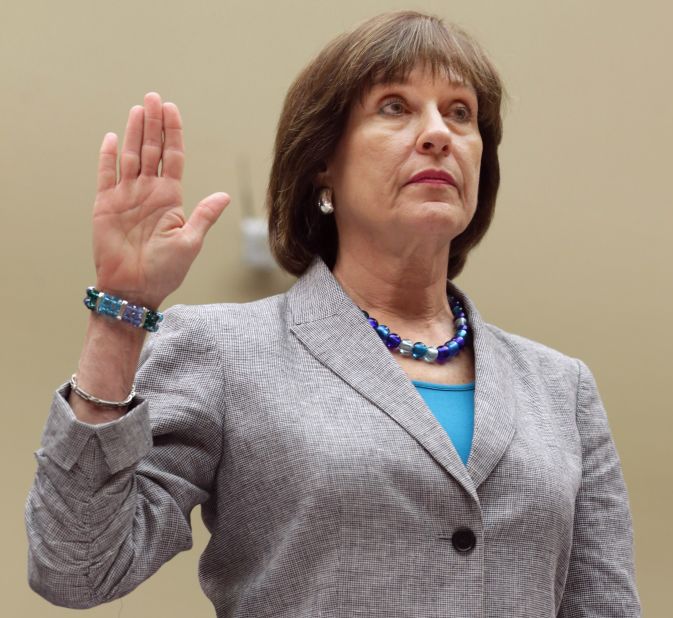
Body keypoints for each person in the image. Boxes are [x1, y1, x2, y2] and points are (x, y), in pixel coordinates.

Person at [26, 10, 641, 618]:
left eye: (460, 112)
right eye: (395, 107)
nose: (439, 134)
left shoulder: (563, 390)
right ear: (324, 164)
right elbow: (76, 565)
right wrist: (122, 312)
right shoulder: (224, 353)